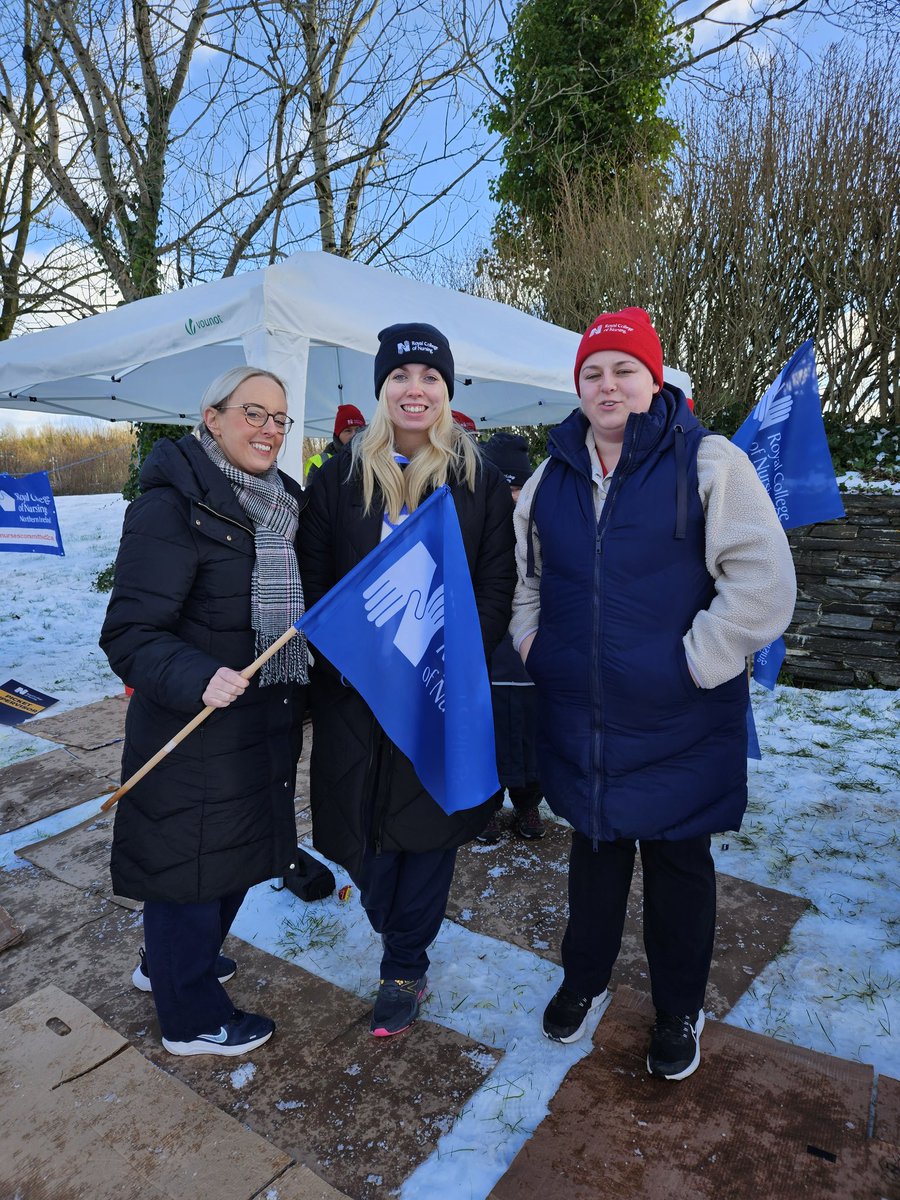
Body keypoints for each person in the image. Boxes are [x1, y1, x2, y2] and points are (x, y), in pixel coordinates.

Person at [511, 307, 796, 1080]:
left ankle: (678, 1010)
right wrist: (541, 650)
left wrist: (695, 662)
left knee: (677, 870)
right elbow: (526, 583)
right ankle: (585, 979)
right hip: (585, 719)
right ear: (578, 387)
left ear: (654, 376)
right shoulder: (549, 480)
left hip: (681, 721)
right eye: (593, 373)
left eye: (623, 370)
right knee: (595, 860)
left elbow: (765, 585)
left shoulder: (709, 463)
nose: (608, 386)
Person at [300, 321, 515, 1037]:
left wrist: (454, 661)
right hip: (355, 694)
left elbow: (494, 586)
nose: (414, 390)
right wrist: (338, 663)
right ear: (382, 388)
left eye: (429, 378)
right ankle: (390, 924)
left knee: (426, 834)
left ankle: (404, 967)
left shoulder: (476, 481)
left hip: (436, 693)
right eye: (400, 377)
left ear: (446, 392)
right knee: (361, 837)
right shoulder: (337, 477)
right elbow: (317, 583)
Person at [100, 366, 308, 1058]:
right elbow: (129, 633)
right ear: (211, 416)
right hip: (192, 729)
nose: (269, 431)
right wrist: (199, 677)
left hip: (257, 723)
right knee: (191, 869)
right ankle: (190, 1018)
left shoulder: (281, 505)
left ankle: (165, 964)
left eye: (279, 419)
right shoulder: (173, 505)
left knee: (231, 859)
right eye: (254, 413)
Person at [477, 432, 545, 843]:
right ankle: (484, 807)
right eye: (506, 488)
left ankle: (528, 802)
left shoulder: (540, 528)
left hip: (527, 654)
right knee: (486, 733)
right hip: (486, 656)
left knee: (528, 732)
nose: (513, 498)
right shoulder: (476, 527)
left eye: (520, 487)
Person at [304, 403, 366, 483]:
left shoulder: (375, 458)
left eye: (358, 430)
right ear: (337, 436)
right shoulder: (320, 464)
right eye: (348, 430)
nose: (354, 435)